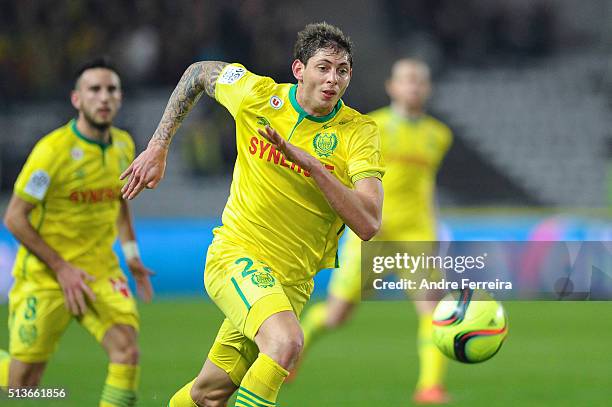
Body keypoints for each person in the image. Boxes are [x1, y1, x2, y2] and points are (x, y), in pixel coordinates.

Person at [120, 22, 385, 407]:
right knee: (286, 342)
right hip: (237, 256)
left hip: (292, 283)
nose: (333, 79)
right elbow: (198, 73)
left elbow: (369, 223)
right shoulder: (258, 96)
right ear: (299, 70)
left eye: (342, 70)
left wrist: (312, 166)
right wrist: (159, 145)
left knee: (209, 394)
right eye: (323, 67)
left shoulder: (359, 132)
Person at [297, 58, 453, 404]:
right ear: (392, 87)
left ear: (426, 89)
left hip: (416, 233)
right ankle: (296, 349)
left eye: (420, 81)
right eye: (407, 80)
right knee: (337, 314)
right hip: (372, 231)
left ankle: (430, 386)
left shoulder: (438, 136)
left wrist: (437, 228)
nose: (413, 86)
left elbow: (425, 185)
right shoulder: (370, 126)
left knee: (433, 308)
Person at [0, 57, 154, 407]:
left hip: (99, 269)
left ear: (120, 97)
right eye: (94, 90)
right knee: (22, 385)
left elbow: (120, 202)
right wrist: (61, 268)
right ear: (76, 99)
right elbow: (14, 218)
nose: (104, 97)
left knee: (127, 352)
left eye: (111, 90)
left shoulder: (124, 146)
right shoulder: (51, 153)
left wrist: (131, 256)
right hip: (46, 276)